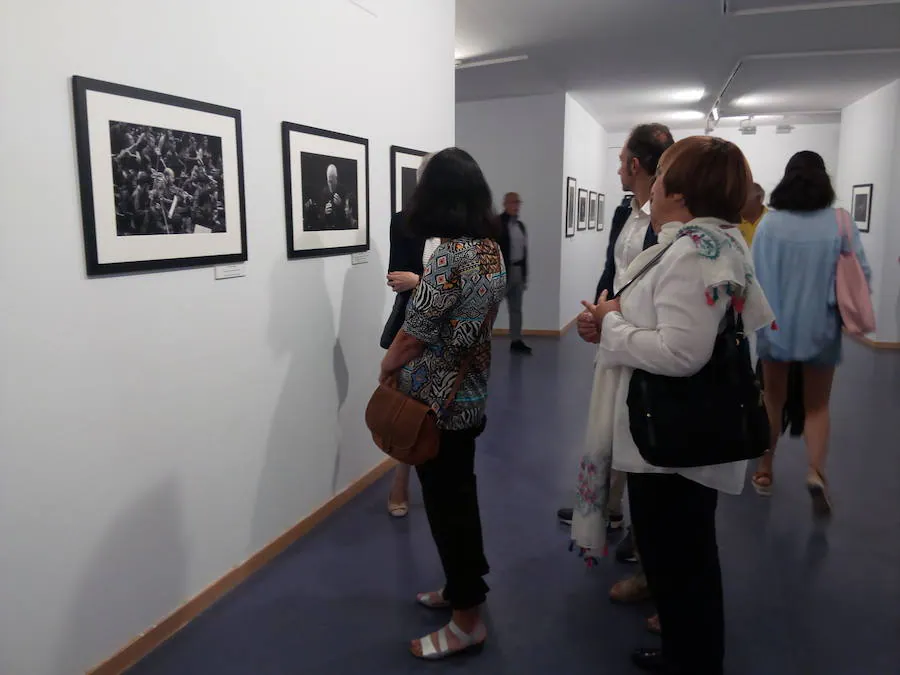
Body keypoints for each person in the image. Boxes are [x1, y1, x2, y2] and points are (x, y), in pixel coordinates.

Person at [580, 136, 773, 674]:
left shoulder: (691, 252)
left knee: (680, 559)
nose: (653, 184)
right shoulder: (711, 242)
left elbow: (680, 352)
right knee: (684, 557)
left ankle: (692, 659)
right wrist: (615, 316)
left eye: (661, 175)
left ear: (681, 193)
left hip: (673, 435)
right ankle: (688, 651)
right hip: (683, 432)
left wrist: (613, 327)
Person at [379, 147, 505, 660]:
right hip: (469, 397)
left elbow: (414, 334)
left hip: (438, 405)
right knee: (459, 499)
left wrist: (386, 368)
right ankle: (461, 591)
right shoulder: (490, 248)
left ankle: (466, 620)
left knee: (448, 509)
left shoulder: (451, 257)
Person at [564, 125, 674, 624]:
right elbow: (612, 274)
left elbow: (653, 291)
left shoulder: (670, 220)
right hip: (614, 336)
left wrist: (614, 319)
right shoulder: (622, 212)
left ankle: (655, 565)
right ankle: (613, 514)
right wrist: (595, 315)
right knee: (612, 432)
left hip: (642, 345)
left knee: (641, 441)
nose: (616, 167)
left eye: (622, 158)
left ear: (635, 164)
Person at [750, 151, 871, 516]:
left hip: (775, 329)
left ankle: (764, 470)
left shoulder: (769, 226)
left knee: (774, 399)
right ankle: (816, 472)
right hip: (821, 327)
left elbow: (753, 277)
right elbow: (860, 272)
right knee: (817, 406)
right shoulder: (839, 222)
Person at [383, 153, 440, 518]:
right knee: (408, 405)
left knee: (442, 407)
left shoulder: (465, 232)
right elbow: (395, 276)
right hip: (414, 325)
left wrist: (420, 281)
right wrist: (416, 283)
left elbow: (467, 286)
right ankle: (401, 480)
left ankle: (437, 477)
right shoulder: (403, 222)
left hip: (452, 333)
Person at [497, 192, 531, 354]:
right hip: (502, 272)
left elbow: (524, 253)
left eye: (518, 202)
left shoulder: (521, 226)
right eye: (513, 202)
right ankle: (480, 342)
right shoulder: (496, 224)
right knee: (490, 309)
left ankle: (516, 341)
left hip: (517, 271)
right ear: (505, 204)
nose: (516, 206)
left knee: (516, 309)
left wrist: (524, 276)